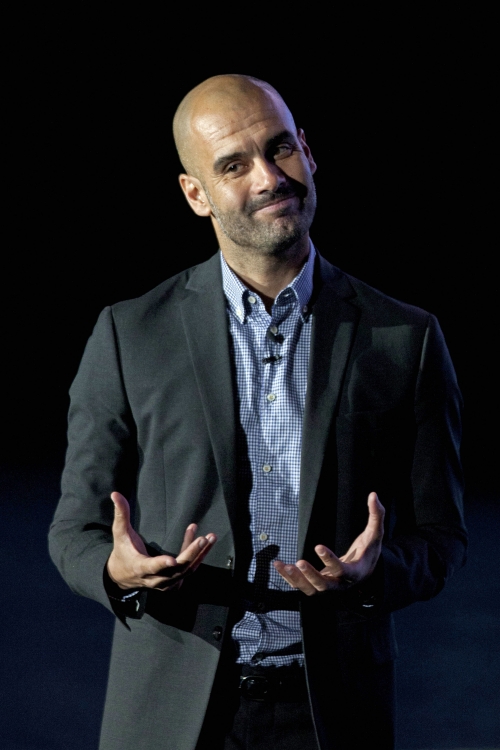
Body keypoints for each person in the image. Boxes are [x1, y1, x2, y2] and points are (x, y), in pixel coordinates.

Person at [49, 75, 467, 750]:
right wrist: (116, 569)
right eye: (233, 165)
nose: (271, 178)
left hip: (334, 715)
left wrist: (375, 574)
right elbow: (74, 531)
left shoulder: (405, 338)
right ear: (196, 194)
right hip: (170, 716)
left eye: (280, 148)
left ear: (309, 150)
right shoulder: (130, 335)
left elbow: (442, 537)